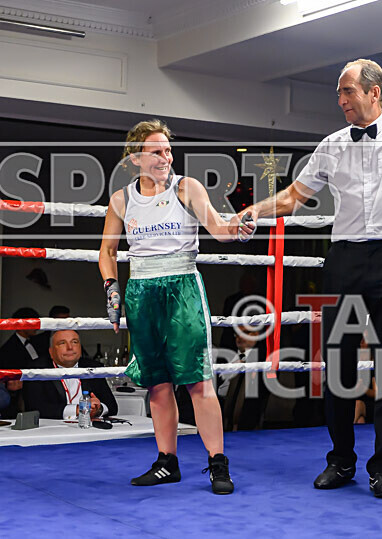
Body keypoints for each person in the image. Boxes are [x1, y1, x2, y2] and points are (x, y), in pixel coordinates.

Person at [241, 58, 382, 498]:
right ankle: (341, 460)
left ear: (374, 92)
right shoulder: (332, 144)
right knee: (336, 364)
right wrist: (254, 211)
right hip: (344, 259)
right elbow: (294, 197)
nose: (341, 100)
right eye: (339, 93)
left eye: (348, 91)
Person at [98, 119, 254, 495]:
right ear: (136, 158)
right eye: (156, 151)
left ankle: (218, 463)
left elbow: (218, 229)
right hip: (141, 290)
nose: (165, 157)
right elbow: (107, 251)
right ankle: (167, 461)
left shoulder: (187, 187)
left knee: (198, 381)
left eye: (168, 150)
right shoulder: (121, 199)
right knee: (157, 383)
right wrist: (111, 290)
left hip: (182, 287)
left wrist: (238, 229)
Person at [23, 330, 117, 420]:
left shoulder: (93, 368)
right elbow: (34, 408)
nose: (70, 347)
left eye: (74, 342)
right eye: (62, 343)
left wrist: (98, 409)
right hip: (54, 428)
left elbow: (112, 406)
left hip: (88, 426)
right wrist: (77, 410)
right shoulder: (36, 370)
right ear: (51, 352)